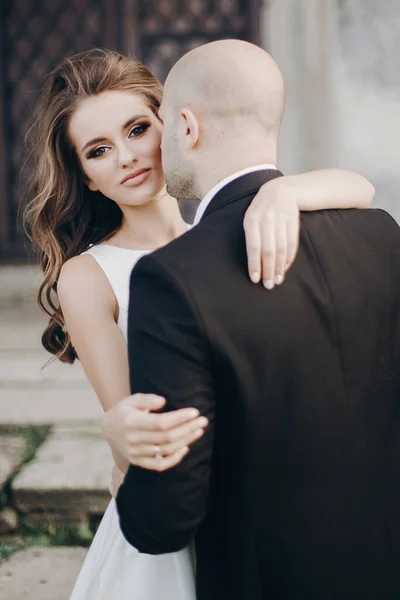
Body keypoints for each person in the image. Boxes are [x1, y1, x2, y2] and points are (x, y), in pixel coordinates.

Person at [24, 49, 374, 600]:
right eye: (98, 151)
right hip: (179, 504)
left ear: (175, 125)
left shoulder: (243, 224)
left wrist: (284, 191)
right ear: (86, 178)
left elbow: (361, 189)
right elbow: (132, 434)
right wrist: (121, 435)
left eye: (137, 129)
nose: (127, 157)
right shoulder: (89, 276)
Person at [112, 40, 400, 600]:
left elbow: (165, 517)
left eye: (162, 124)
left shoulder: (170, 279)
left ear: (187, 127)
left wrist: (124, 467)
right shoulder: (383, 236)